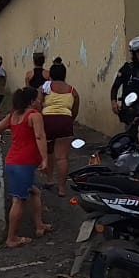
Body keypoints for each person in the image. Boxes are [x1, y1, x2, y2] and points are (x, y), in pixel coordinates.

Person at [0, 86, 51, 248]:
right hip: (24, 163)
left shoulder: (13, 116)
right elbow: (39, 136)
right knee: (18, 200)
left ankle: (39, 226)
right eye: (38, 99)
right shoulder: (34, 116)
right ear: (32, 101)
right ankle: (12, 238)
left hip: (12, 161)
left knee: (34, 192)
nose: (40, 101)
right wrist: (44, 159)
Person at [38, 61, 80, 189]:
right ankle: (62, 188)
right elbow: (75, 110)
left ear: (50, 75)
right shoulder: (73, 90)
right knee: (62, 158)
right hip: (65, 121)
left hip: (48, 121)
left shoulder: (45, 88)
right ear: (64, 75)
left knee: (49, 153)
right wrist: (69, 120)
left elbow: (38, 104)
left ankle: (50, 180)